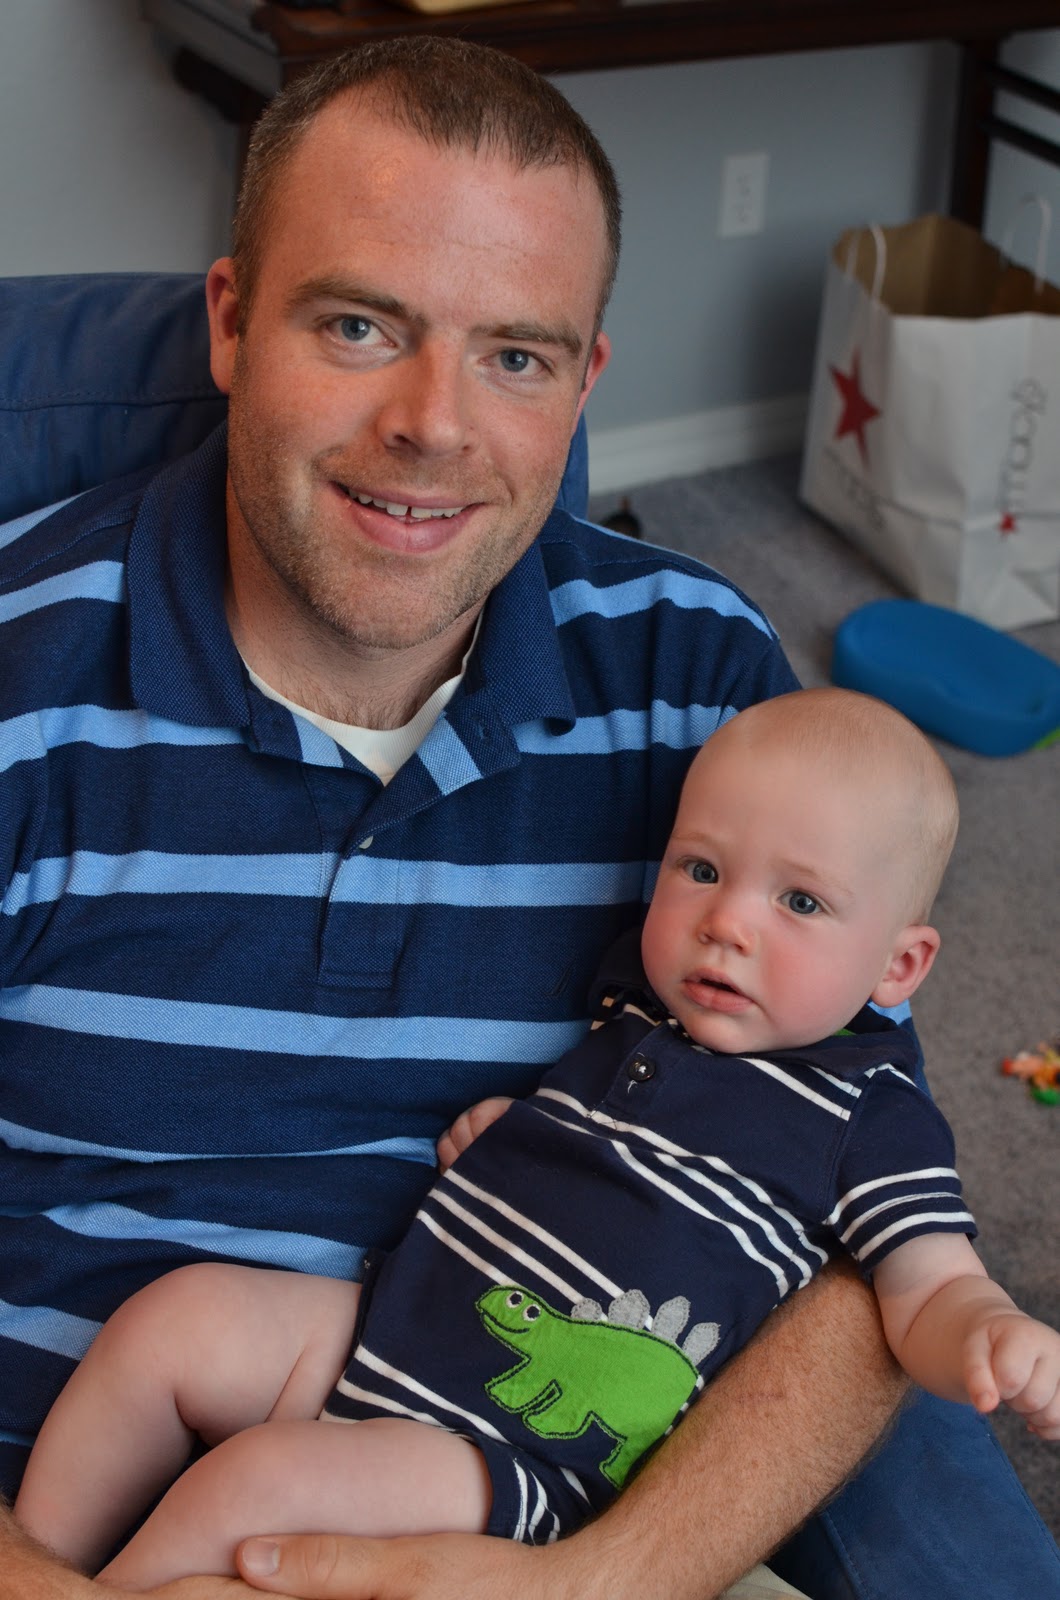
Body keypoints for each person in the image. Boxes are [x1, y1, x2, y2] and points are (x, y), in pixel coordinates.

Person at [0, 34, 1057, 1600]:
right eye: (360, 325)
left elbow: (853, 1187)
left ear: (586, 381)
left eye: (515, 355)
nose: (435, 424)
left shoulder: (707, 692)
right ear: (229, 321)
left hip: (544, 1476)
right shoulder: (23, 683)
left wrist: (602, 1580)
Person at [14, 688, 1060, 1591]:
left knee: (259, 1483)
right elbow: (594, 1149)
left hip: (512, 1454)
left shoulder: (867, 1115)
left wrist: (986, 1327)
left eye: (799, 900)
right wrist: (517, 1138)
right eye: (700, 868)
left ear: (897, 966)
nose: (727, 922)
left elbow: (921, 1282)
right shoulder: (638, 1007)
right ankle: (41, 1559)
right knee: (177, 1320)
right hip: (402, 1314)